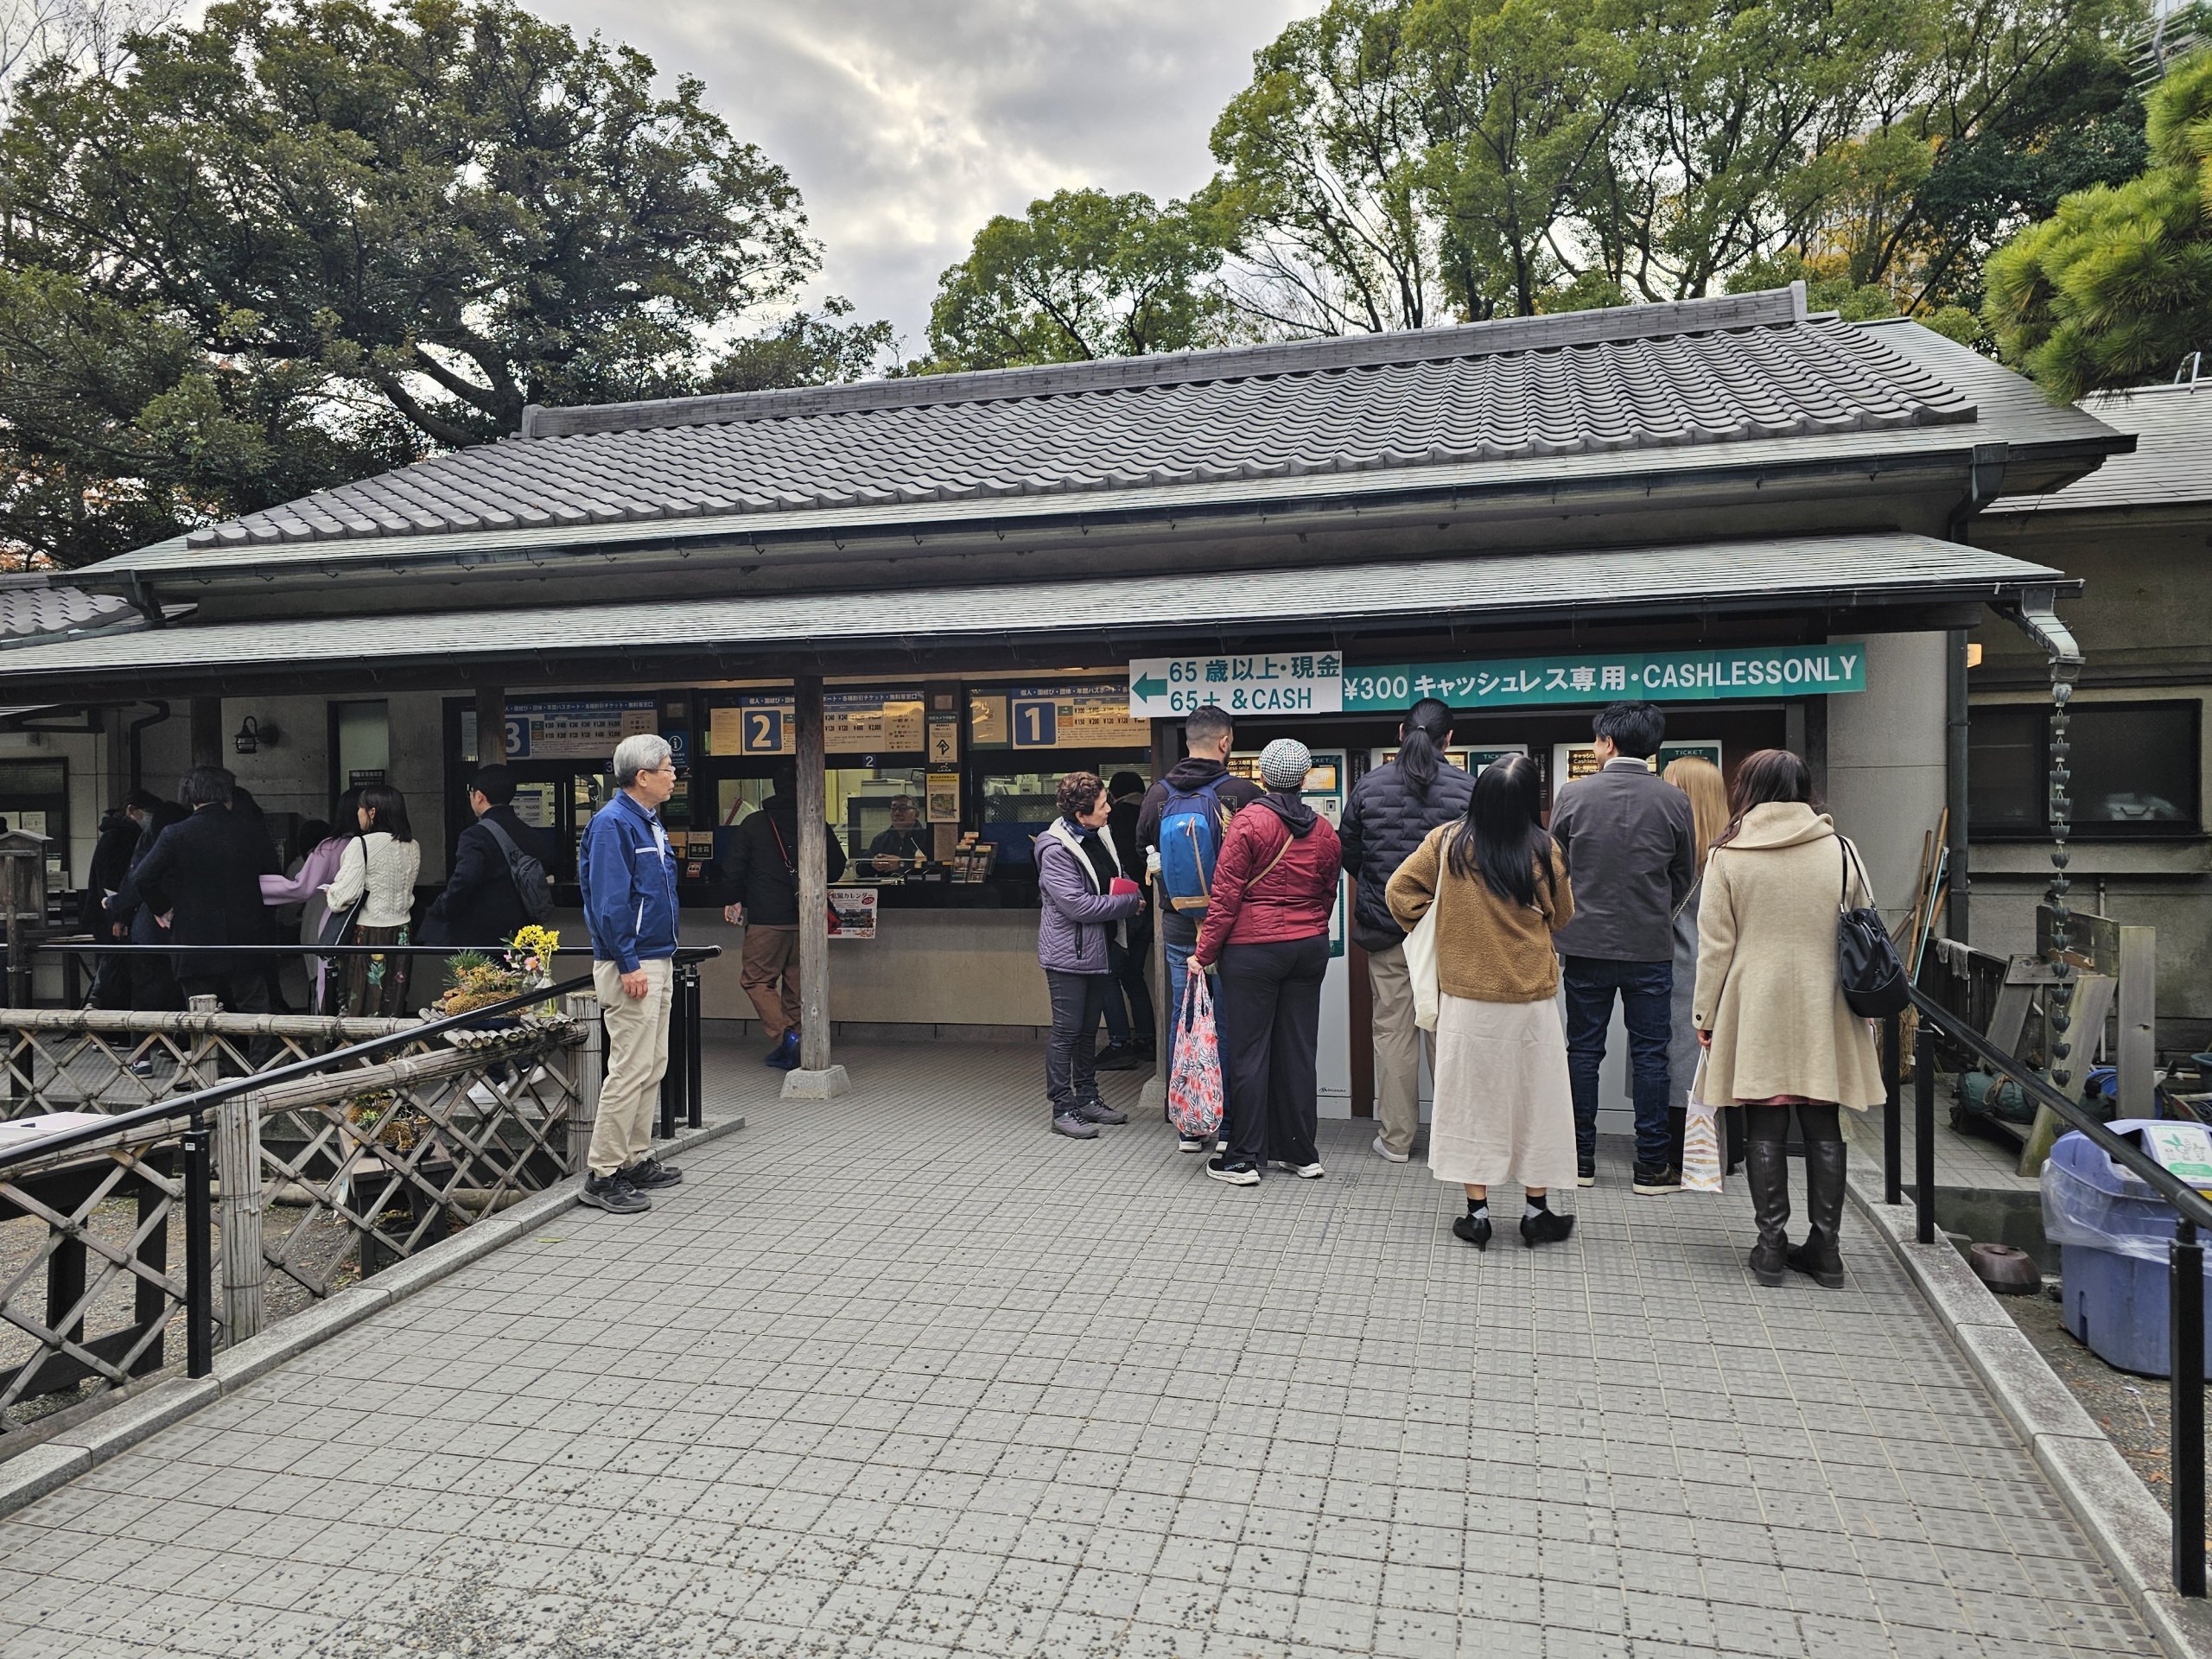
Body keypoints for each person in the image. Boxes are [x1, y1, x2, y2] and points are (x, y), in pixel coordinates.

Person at [1694, 749, 1884, 1289]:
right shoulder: (1842, 849)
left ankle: (1771, 1247)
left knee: (1765, 1121)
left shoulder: (1728, 854)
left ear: (1747, 789)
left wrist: (1705, 1012)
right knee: (1824, 1119)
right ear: (1805, 789)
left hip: (1755, 1001)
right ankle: (1827, 1252)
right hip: (1829, 1001)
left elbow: (1716, 946)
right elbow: (1867, 921)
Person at [1386, 754, 1578, 1249]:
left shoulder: (1447, 843)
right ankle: (1536, 1212)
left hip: (1466, 1000)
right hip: (1530, 1001)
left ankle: (1478, 1215)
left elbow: (1399, 891)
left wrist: (1441, 923)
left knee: (1471, 1104)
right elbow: (1562, 917)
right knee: (1537, 1102)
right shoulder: (1545, 850)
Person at [1548, 701, 1695, 1193]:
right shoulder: (1674, 800)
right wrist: (1653, 910)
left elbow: (1555, 867)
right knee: (1652, 1054)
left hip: (1584, 944)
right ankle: (1652, 1166)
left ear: (1608, 742)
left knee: (1583, 1050)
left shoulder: (1574, 794)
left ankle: (1580, 1160)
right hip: (1650, 946)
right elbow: (1683, 876)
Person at [1194, 738, 1343, 1185]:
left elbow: (1225, 896)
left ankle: (1243, 1157)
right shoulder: (1324, 830)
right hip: (1308, 947)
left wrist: (1203, 954)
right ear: (1303, 779)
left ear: (1263, 776)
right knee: (1297, 1050)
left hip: (1253, 952)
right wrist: (1308, 929)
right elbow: (1327, 894)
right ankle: (1300, 1153)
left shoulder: (1248, 823)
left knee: (1250, 1052)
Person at [1337, 699, 1476, 1164]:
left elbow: (1350, 851)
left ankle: (1396, 1139)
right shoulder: (1468, 789)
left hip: (1388, 929)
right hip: (1448, 932)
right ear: (1449, 739)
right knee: (1447, 1033)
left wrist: (1381, 887)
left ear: (1400, 732)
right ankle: (1454, 1140)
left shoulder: (1369, 786)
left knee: (1393, 1032)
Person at [577, 733, 686, 1214]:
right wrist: (628, 961)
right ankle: (603, 1172)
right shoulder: (612, 824)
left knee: (652, 1064)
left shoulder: (647, 820)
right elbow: (609, 902)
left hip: (655, 955)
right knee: (629, 1069)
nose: (674, 775)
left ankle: (634, 1158)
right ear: (642, 776)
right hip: (634, 961)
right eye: (667, 768)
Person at [1135, 706, 1263, 1082]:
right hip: (1231, 924)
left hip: (1178, 921)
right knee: (1227, 1015)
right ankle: (1225, 1112)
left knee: (1185, 1012)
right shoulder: (1244, 793)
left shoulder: (1157, 795)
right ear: (1225, 742)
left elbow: (1143, 851)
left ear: (1188, 742)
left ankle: (1186, 1109)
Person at [1036, 771, 1145, 1139]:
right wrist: (1128, 904)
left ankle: (1087, 1098)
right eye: (1102, 805)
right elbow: (1077, 905)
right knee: (1066, 1032)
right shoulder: (1055, 849)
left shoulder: (1100, 835)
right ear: (1080, 814)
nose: (1109, 809)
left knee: (1086, 1032)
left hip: (1100, 949)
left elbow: (1116, 876)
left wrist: (1130, 891)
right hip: (1068, 955)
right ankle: (1062, 1107)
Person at [721, 758, 849, 1070]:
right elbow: (836, 866)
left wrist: (733, 899)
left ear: (775, 788)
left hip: (767, 919)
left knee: (756, 980)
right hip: (807, 918)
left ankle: (785, 1037)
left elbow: (734, 868)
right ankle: (796, 1044)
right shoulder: (815, 822)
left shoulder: (754, 824)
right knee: (797, 984)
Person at [127, 766, 279, 1012]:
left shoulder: (176, 833)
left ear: (189, 796)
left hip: (194, 938)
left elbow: (142, 878)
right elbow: (273, 873)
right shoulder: (251, 830)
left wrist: (163, 908)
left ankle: (206, 1039)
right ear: (228, 793)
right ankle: (257, 1040)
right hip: (247, 935)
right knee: (254, 1008)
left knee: (201, 1014)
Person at [1662, 756, 1732, 1172]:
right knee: (1711, 1066)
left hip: (1677, 972)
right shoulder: (1731, 854)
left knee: (1675, 1068)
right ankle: (1724, 1152)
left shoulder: (1672, 855)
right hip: (1720, 976)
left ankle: (1682, 1156)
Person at [422, 765, 555, 946]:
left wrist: (442, 907)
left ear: (479, 796)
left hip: (481, 933)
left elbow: (464, 880)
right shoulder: (530, 834)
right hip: (523, 931)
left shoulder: (474, 836)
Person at [323, 784, 422, 1018]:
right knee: (393, 1000)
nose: (358, 813)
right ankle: (392, 1042)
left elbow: (343, 897)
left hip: (369, 934)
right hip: (402, 933)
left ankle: (359, 1043)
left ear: (372, 812)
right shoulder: (413, 845)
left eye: (360, 808)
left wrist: (331, 893)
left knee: (361, 1000)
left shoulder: (361, 845)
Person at [257, 793, 358, 1011]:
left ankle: (325, 1028)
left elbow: (301, 888)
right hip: (375, 929)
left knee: (328, 986)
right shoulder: (384, 845)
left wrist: (254, 886)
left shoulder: (331, 848)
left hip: (334, 925)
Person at [104, 800, 191, 1020]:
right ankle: (176, 1037)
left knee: (148, 992)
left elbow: (137, 880)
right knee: (179, 993)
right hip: (184, 932)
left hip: (150, 930)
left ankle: (144, 1038)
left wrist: (115, 905)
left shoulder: (152, 840)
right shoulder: (187, 842)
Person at [1092, 770, 1155, 1071]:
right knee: (1133, 975)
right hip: (1151, 906)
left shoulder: (1113, 820)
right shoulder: (1151, 814)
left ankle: (1119, 1044)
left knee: (1107, 975)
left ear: (1114, 795)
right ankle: (1147, 1039)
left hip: (1125, 907)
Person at [84, 790, 162, 1009]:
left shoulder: (121, 835)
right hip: (113, 915)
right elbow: (111, 881)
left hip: (114, 912)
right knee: (118, 974)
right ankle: (113, 1019)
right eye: (146, 812)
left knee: (118, 972)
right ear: (131, 810)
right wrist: (119, 918)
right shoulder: (119, 838)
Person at [867, 796, 931, 863]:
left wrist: (901, 863)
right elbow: (863, 865)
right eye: (893, 809)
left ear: (916, 814)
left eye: (903, 808)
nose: (897, 813)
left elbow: (933, 865)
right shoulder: (880, 839)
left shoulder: (929, 838)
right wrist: (873, 863)